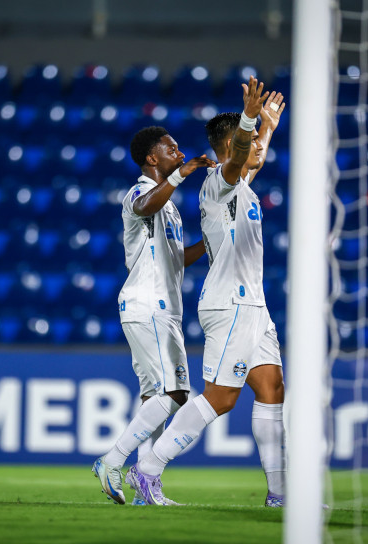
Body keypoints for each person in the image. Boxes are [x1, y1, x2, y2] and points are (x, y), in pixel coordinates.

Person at [127, 76, 289, 507]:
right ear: (232, 145)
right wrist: (253, 119)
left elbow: (252, 157)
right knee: (220, 399)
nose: (258, 151)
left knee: (272, 388)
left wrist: (267, 127)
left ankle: (280, 494)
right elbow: (241, 155)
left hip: (254, 305)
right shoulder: (220, 181)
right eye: (252, 142)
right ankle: (147, 470)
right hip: (230, 305)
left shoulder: (242, 182)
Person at [92, 126, 215, 505]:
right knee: (176, 394)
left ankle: (146, 486)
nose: (178, 152)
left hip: (163, 307)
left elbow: (176, 259)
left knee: (153, 398)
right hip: (148, 305)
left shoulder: (171, 206)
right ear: (152, 158)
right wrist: (181, 175)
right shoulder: (139, 193)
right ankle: (112, 461)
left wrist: (214, 244)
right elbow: (146, 206)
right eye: (170, 148)